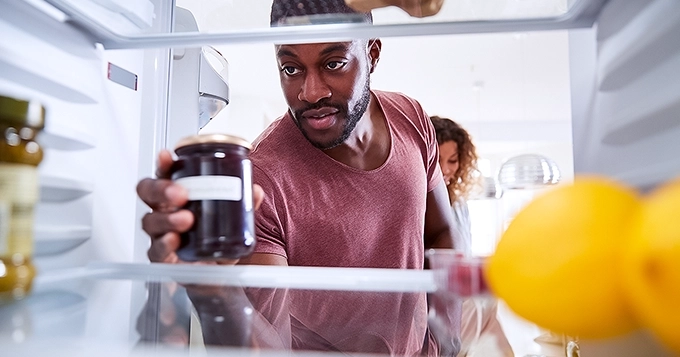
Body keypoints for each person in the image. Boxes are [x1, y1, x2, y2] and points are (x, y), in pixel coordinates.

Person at [136, 1, 463, 355]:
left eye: (333, 63)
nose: (311, 92)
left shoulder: (409, 116)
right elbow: (268, 347)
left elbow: (441, 232)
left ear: (372, 52)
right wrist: (215, 290)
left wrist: (447, 337)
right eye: (291, 68)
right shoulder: (263, 178)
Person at [429, 116, 513, 357]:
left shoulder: (460, 205)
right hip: (438, 299)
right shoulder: (421, 203)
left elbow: (463, 251)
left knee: (487, 308)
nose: (445, 169)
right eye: (438, 161)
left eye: (453, 161)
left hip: (461, 294)